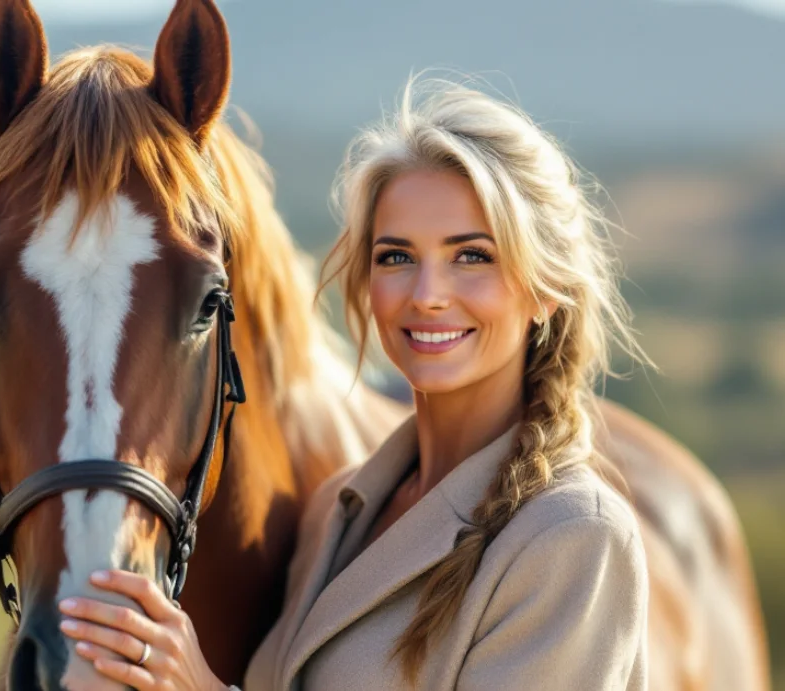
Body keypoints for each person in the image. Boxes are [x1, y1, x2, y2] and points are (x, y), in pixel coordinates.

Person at [55, 76, 651, 690]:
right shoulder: (336, 513)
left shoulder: (575, 538)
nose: (427, 296)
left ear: (546, 287)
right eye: (396, 256)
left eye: (472, 255)